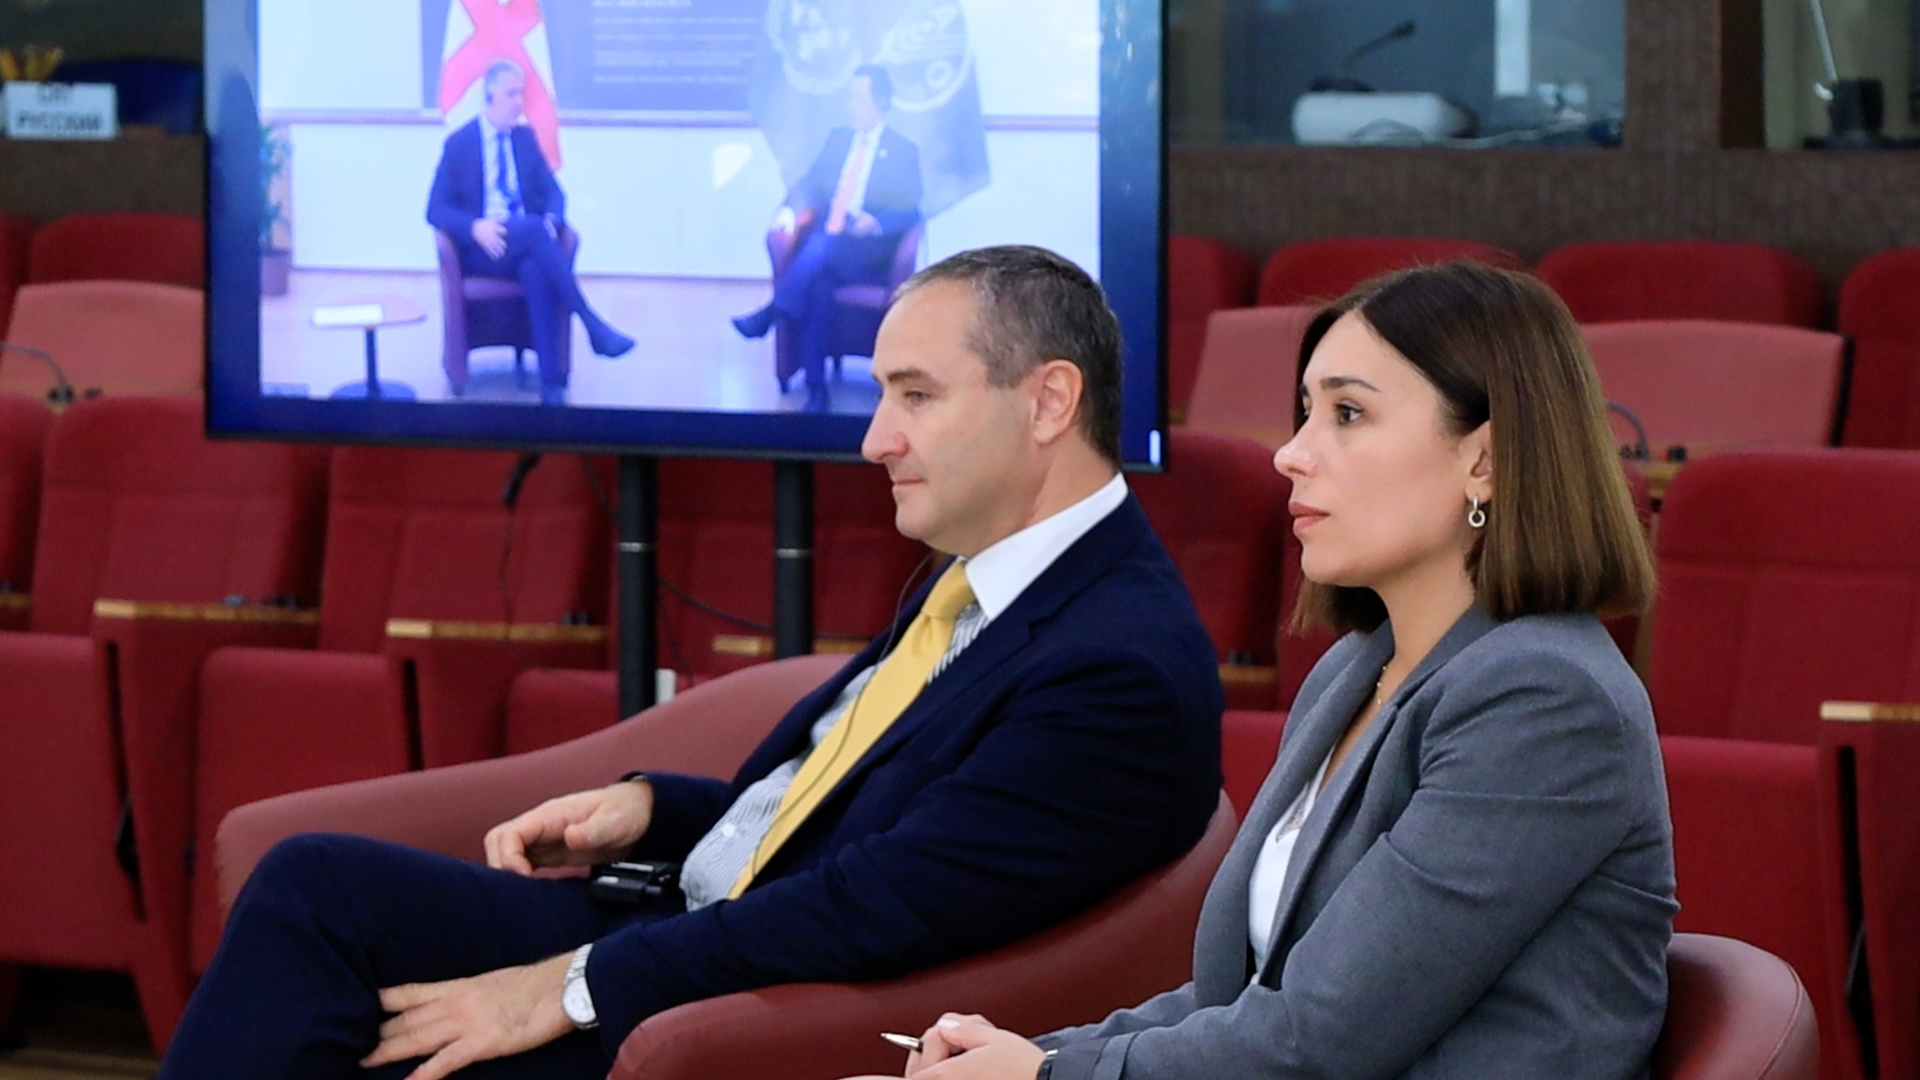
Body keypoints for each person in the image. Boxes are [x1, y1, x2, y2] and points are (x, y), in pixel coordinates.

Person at [155, 245, 1223, 1080]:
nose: (874, 440)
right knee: (316, 890)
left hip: (740, 1009)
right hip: (694, 922)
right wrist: (655, 809)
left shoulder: (1114, 666)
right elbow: (861, 809)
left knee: (323, 1001)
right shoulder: (995, 574)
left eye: (916, 396)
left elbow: (878, 906)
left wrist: (565, 987)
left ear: (1048, 402)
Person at [862, 261, 1675, 1080]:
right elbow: (1242, 1000)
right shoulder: (1353, 671)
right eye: (1304, 413)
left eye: (1348, 413)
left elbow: (1320, 1037)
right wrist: (1034, 1053)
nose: (1290, 454)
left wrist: (1042, 1079)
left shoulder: (1544, 700)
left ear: (1486, 462)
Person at [426, 58, 634, 406]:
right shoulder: (459, 144)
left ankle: (551, 385)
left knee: (535, 266)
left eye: (521, 94)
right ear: (490, 96)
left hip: (525, 242)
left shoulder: (525, 139)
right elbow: (434, 210)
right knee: (535, 234)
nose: (518, 102)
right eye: (511, 94)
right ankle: (592, 324)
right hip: (484, 249)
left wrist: (551, 222)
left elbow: (555, 194)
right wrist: (474, 227)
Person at [732, 65, 923, 413]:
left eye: (858, 98)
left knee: (821, 245)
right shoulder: (839, 139)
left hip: (867, 249)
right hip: (829, 243)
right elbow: (809, 183)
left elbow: (911, 210)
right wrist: (789, 210)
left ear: (879, 101)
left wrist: (876, 223)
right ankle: (817, 391)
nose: (852, 106)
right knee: (817, 288)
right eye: (851, 98)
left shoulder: (902, 150)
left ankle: (774, 311)